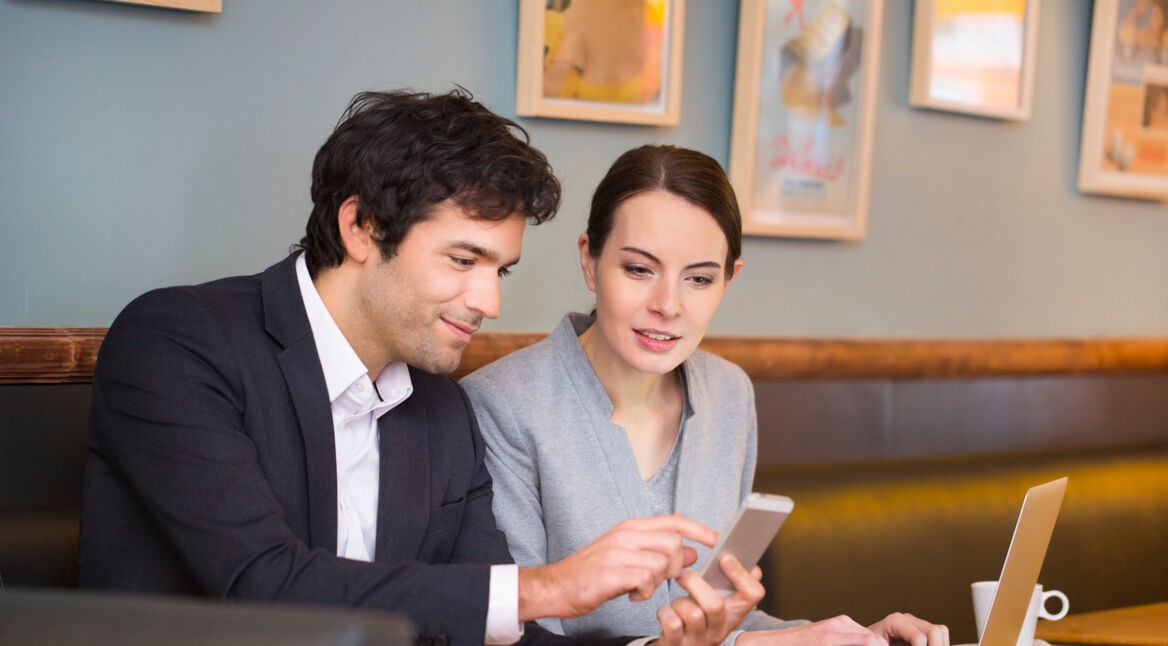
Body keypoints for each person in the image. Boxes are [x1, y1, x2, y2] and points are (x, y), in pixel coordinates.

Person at [78, 90, 764, 646]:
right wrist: (552, 586)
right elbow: (265, 586)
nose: (489, 300)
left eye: (501, 269)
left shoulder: (440, 408)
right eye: (463, 261)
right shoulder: (180, 343)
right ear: (361, 228)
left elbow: (493, 631)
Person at [461, 145, 951, 646]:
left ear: (729, 279)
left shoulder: (728, 395)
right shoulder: (501, 405)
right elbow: (514, 635)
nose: (668, 305)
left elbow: (719, 624)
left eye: (699, 279)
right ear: (590, 260)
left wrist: (841, 638)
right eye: (638, 269)